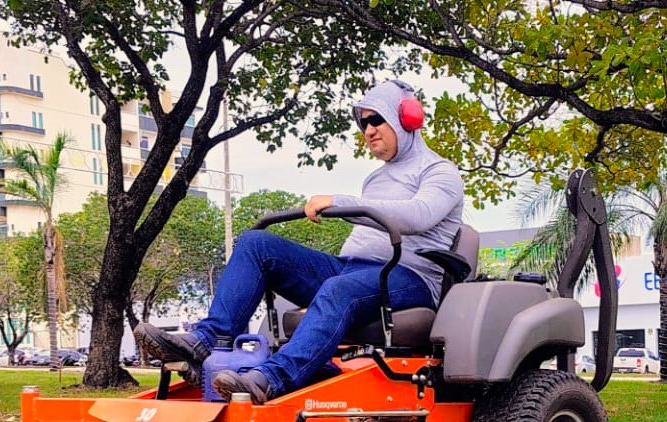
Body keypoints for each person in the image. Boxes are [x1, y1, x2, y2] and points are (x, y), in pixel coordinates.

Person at [135, 79, 464, 403]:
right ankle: (208, 341)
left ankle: (271, 379)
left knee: (337, 290)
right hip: (351, 270)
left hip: (409, 278)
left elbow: (418, 214)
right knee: (256, 243)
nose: (369, 130)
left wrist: (339, 202)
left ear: (407, 118)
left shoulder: (440, 172)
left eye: (377, 119)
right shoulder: (375, 178)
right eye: (363, 123)